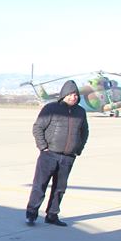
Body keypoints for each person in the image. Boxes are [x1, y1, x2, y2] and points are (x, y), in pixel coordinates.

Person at [25, 79, 89, 227]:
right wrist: (43, 147)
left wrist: (78, 149)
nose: (73, 97)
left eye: (75, 95)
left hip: (68, 157)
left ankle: (52, 215)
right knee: (40, 185)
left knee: (60, 188)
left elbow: (84, 132)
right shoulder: (51, 108)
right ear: (64, 95)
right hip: (49, 155)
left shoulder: (80, 112)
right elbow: (38, 128)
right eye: (70, 94)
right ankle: (31, 214)